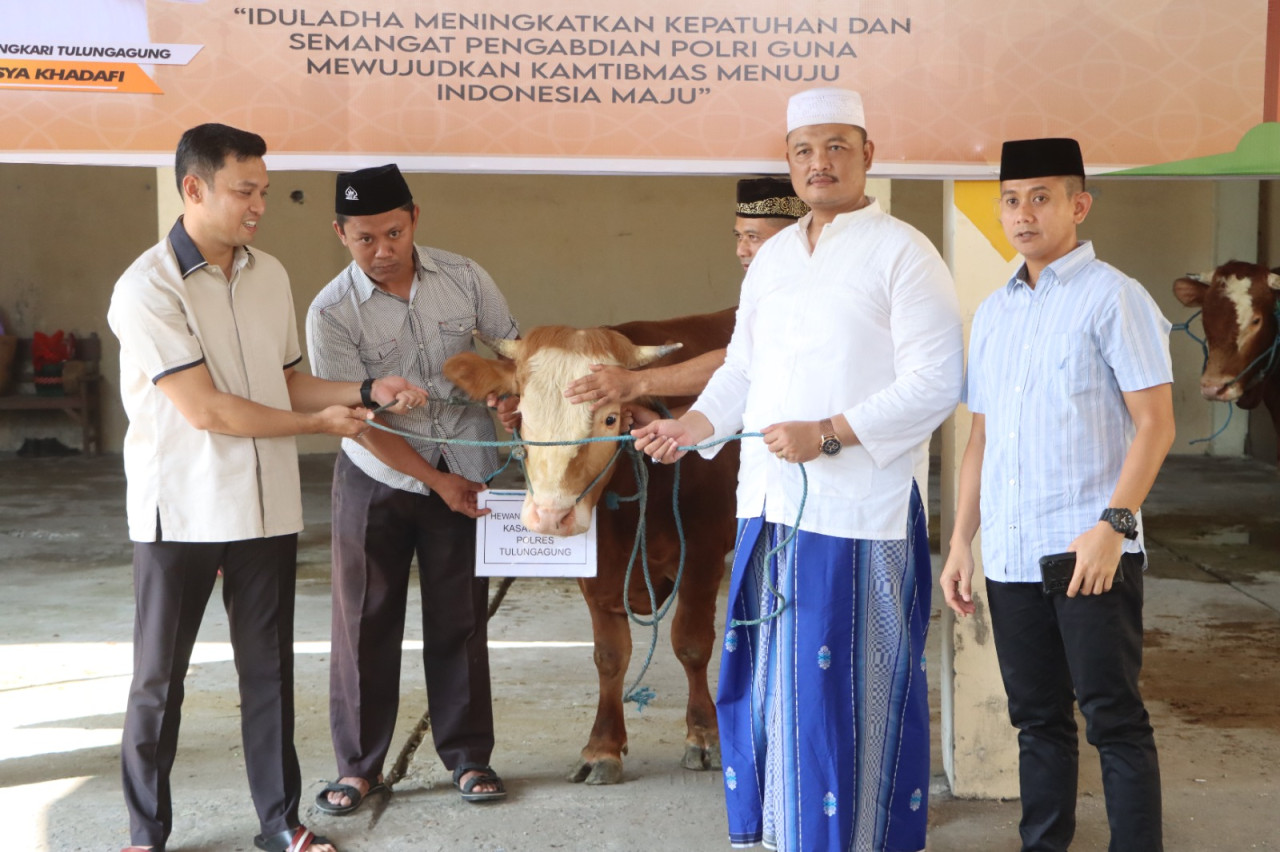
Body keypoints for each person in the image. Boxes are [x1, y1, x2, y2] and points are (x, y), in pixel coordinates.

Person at [633, 87, 963, 852]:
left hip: (860, 515)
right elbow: (742, 371)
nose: (821, 163)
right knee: (767, 690)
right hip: (772, 509)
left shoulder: (904, 251)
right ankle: (785, 834)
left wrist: (832, 432)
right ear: (789, 162)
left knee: (843, 695)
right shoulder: (775, 258)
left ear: (868, 156)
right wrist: (692, 427)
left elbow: (936, 381)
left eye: (838, 146)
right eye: (805, 150)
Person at [108, 123, 426, 852]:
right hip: (179, 508)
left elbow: (289, 382)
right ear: (195, 189)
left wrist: (368, 388)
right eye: (243, 191)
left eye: (263, 190)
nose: (259, 205)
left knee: (269, 676)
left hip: (265, 507)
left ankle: (280, 824)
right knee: (159, 681)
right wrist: (324, 426)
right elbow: (208, 409)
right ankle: (144, 832)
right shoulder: (146, 288)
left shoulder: (271, 274)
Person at [940, 138, 1174, 852]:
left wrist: (1111, 525)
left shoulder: (1115, 298)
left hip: (1087, 550)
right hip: (1011, 555)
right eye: (1011, 199)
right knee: (1037, 720)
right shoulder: (995, 313)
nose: (1022, 213)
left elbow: (1156, 425)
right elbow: (982, 439)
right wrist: (960, 541)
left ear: (1078, 205)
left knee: (1114, 720)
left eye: (1040, 197)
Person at [306, 164, 519, 816]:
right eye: (364, 238)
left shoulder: (464, 277)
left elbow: (509, 353)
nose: (382, 250)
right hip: (379, 479)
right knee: (365, 622)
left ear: (415, 219)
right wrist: (436, 482)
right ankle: (359, 766)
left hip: (467, 467)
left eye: (393, 232)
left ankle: (468, 756)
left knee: (460, 620)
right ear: (340, 233)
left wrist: (510, 397)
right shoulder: (331, 313)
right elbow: (360, 422)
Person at [562, 177, 806, 411]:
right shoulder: (759, 295)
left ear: (792, 239)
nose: (741, 250)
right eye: (739, 237)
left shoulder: (810, 299)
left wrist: (637, 382)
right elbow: (742, 395)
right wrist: (666, 423)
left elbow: (741, 362)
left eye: (753, 237)